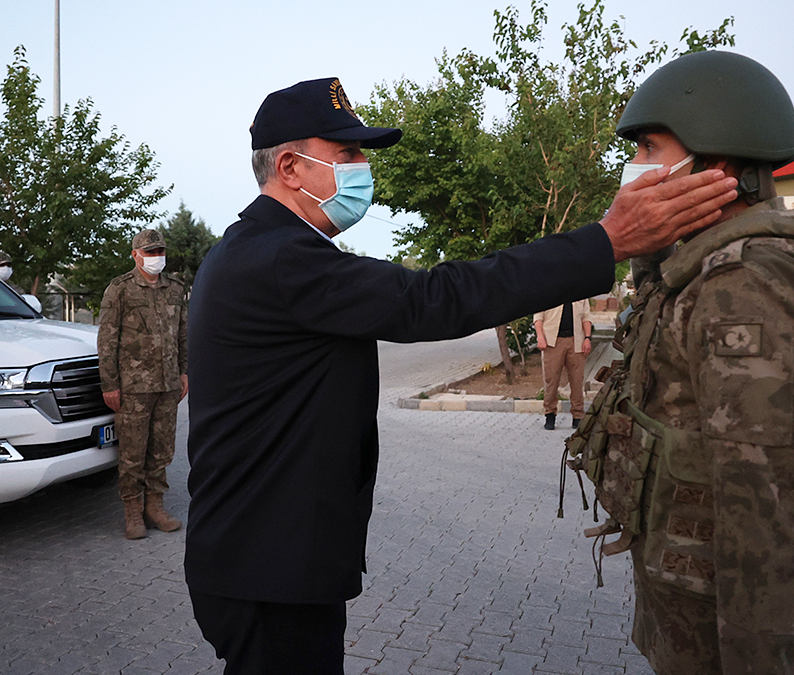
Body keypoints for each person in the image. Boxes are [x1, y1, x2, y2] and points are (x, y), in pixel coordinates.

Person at [183, 76, 739, 675]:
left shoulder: (263, 249)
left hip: (266, 555)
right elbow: (437, 298)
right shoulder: (279, 259)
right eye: (348, 154)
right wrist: (606, 241)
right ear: (291, 166)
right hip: (269, 568)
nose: (363, 168)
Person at [592, 51, 794, 674]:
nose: (635, 169)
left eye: (651, 148)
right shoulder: (700, 269)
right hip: (696, 616)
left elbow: (774, 507)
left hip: (734, 636)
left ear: (716, 164)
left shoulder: (747, 285)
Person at [97, 229, 189, 540]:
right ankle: (132, 511)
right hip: (133, 386)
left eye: (159, 251)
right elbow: (107, 340)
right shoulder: (119, 290)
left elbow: (182, 335)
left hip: (167, 384)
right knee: (133, 453)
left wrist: (184, 372)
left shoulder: (175, 289)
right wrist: (109, 384)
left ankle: (155, 507)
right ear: (135, 255)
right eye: (149, 252)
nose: (155, 257)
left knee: (162, 451)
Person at [533, 299, 593, 429]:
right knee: (551, 380)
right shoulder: (549, 290)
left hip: (576, 341)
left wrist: (587, 338)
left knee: (577, 380)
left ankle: (578, 415)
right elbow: (538, 316)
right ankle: (550, 414)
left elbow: (586, 316)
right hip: (552, 342)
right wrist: (540, 337)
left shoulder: (581, 293)